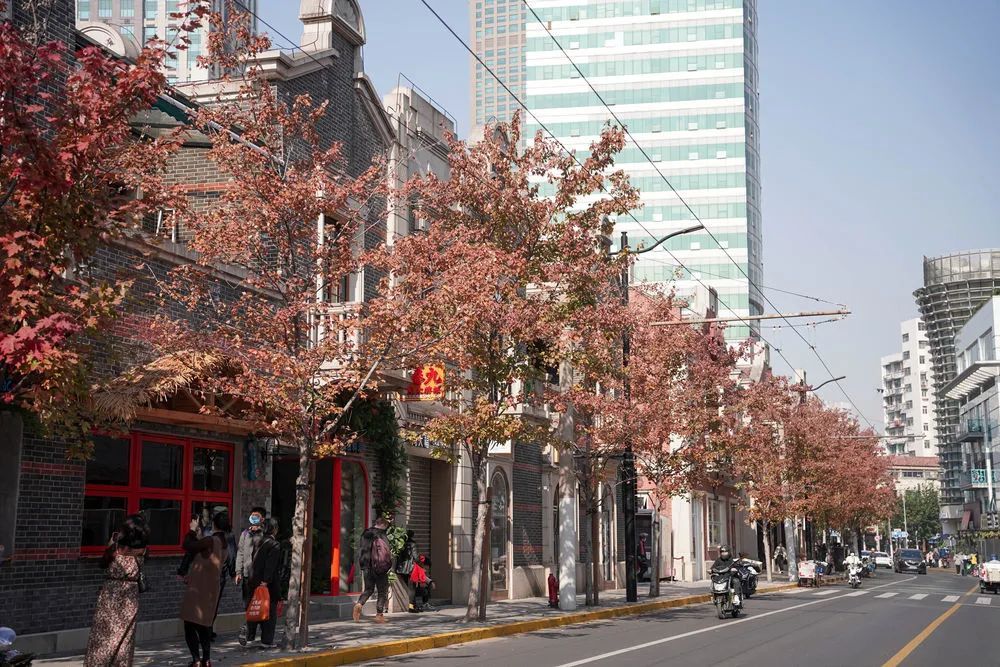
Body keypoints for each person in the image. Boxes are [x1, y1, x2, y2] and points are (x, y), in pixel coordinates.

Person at [84, 514, 149, 667]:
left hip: (111, 594)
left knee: (103, 636)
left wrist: (111, 544)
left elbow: (102, 564)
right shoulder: (143, 551)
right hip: (129, 597)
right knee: (124, 639)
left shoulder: (115, 550)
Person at [180, 513, 229, 667]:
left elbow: (188, 545)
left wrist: (193, 531)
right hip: (212, 588)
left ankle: (196, 660)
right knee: (205, 624)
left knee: (189, 624)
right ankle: (206, 659)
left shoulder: (211, 540)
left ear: (214, 524)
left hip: (199, 588)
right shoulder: (225, 542)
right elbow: (202, 552)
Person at [244, 518, 282, 648]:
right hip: (267, 583)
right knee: (269, 611)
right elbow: (270, 566)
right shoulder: (274, 545)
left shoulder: (257, 541)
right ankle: (266, 640)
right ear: (275, 529)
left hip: (252, 580)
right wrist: (265, 582)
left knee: (254, 607)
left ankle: (250, 638)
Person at [235, 507, 266, 645]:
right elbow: (240, 553)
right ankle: (250, 633)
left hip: (260, 578)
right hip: (247, 576)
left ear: (262, 519)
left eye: (256, 516)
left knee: (258, 605)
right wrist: (238, 572)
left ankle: (251, 631)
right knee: (248, 604)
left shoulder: (264, 534)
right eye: (252, 515)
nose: (253, 518)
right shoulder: (244, 534)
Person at [353, 517, 392, 623]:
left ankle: (359, 604)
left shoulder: (365, 533)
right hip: (379, 567)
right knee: (382, 591)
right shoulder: (381, 534)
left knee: (368, 589)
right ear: (383, 525)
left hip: (366, 566)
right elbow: (386, 551)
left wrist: (363, 565)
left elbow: (362, 549)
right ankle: (379, 615)